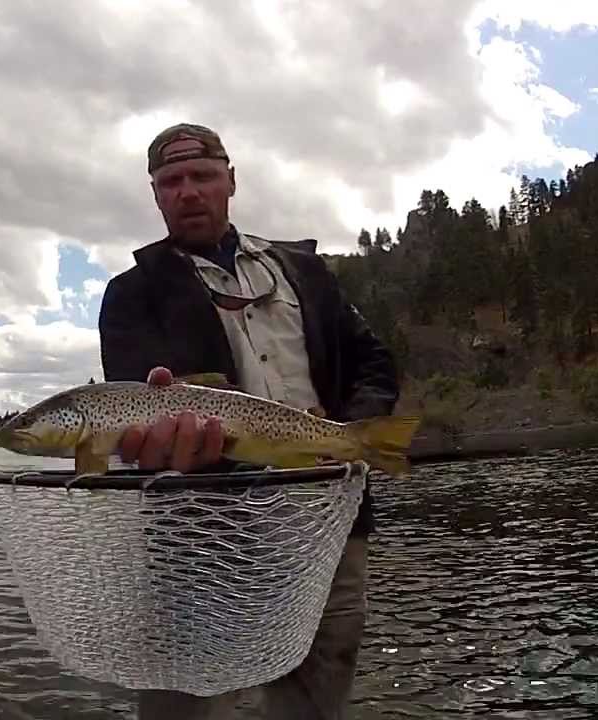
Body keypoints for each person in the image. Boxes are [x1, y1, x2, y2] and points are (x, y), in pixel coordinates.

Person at [96, 123, 401, 720]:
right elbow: (133, 406)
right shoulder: (130, 294)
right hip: (200, 537)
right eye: (171, 181)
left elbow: (374, 360)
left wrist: (357, 431)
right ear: (155, 195)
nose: (188, 191)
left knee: (318, 682)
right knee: (182, 693)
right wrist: (160, 439)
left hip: (328, 521)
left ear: (231, 181)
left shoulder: (307, 271)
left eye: (202, 176)